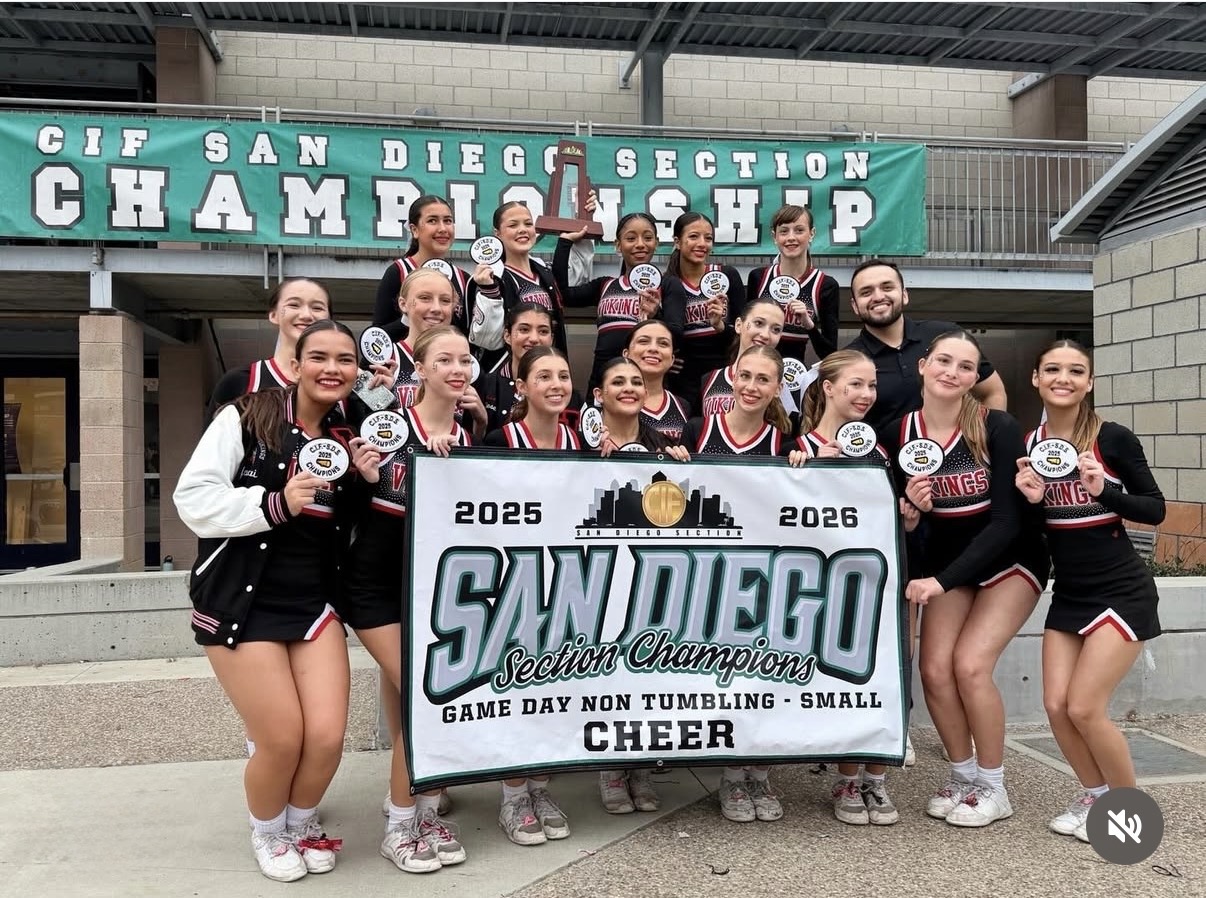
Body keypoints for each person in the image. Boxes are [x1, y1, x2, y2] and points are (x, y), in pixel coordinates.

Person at [174, 320, 381, 882]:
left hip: (313, 604)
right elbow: (192, 498)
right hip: (243, 604)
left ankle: (301, 820)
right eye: (320, 357)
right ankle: (268, 830)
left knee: (327, 737)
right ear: (298, 360)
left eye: (345, 359)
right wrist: (273, 502)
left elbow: (346, 527)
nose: (332, 369)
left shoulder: (353, 429)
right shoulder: (249, 414)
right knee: (282, 737)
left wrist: (365, 484)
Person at [883, 330, 1049, 829]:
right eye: (943, 360)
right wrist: (912, 518)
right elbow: (903, 527)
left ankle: (995, 788)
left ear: (975, 378)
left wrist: (942, 581)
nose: (951, 372)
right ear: (923, 366)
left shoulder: (996, 426)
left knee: (971, 665)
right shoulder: (896, 431)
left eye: (964, 366)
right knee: (934, 670)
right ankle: (963, 776)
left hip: (1009, 560)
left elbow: (1007, 522)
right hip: (948, 565)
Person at [1015, 340, 1166, 843]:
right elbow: (1038, 529)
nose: (1065, 377)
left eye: (1076, 370)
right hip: (1071, 591)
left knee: (1084, 707)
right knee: (1056, 707)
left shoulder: (1112, 437)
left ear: (1090, 382)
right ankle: (1096, 796)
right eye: (1053, 369)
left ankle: (1128, 813)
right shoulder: (1028, 441)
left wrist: (1106, 490)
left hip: (1121, 588)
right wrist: (1033, 502)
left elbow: (1154, 508)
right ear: (1036, 378)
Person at [342, 325, 475, 874]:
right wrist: (361, 477)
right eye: (443, 359)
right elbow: (349, 506)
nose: (456, 368)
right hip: (374, 585)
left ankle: (423, 808)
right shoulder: (390, 427)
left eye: (464, 359)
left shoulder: (469, 439)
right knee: (427, 698)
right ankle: (400, 824)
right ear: (418, 369)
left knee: (417, 705)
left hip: (433, 590)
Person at [680, 345, 801, 822]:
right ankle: (732, 777)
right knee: (725, 676)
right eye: (744, 376)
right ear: (731, 377)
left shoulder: (784, 443)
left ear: (776, 388)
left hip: (763, 575)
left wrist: (810, 473)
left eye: (763, 380)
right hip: (707, 572)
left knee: (762, 672)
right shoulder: (698, 430)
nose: (751, 387)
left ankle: (761, 773)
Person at [789, 350, 907, 827]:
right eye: (855, 384)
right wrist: (807, 470)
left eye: (871, 386)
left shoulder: (879, 451)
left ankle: (875, 780)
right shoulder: (798, 444)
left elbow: (899, 517)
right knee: (841, 674)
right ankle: (844, 775)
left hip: (878, 579)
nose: (865, 395)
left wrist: (910, 507)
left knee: (884, 671)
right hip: (823, 583)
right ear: (829, 388)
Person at [483, 345, 579, 844]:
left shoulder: (581, 439)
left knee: (554, 694)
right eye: (543, 376)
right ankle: (513, 793)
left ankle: (541, 786)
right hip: (515, 581)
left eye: (563, 375)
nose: (556, 384)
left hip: (566, 583)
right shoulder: (500, 438)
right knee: (515, 691)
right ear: (520, 386)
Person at [844, 260, 1007, 434]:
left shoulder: (948, 336)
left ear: (904, 295)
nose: (878, 297)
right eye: (866, 292)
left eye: (887, 287)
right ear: (855, 306)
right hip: (884, 459)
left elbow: (992, 392)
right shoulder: (848, 360)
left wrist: (986, 440)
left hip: (955, 457)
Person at [553, 210, 684, 395]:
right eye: (631, 238)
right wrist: (565, 242)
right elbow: (562, 295)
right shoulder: (605, 285)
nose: (640, 244)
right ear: (618, 245)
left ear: (656, 243)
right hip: (602, 381)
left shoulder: (668, 284)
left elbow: (677, 332)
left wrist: (656, 315)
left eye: (647, 238)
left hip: (645, 385)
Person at [386, 269, 489, 439]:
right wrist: (379, 397)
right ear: (403, 304)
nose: (436, 308)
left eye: (445, 301)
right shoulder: (383, 359)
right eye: (425, 298)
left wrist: (481, 422)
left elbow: (474, 444)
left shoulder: (469, 368)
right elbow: (366, 423)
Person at [208, 278, 332, 416]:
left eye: (317, 308)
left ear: (329, 319)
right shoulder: (241, 381)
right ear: (273, 315)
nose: (306, 315)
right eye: (294, 305)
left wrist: (360, 380)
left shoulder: (344, 384)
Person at [371, 195, 482, 344]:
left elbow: (471, 338)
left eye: (448, 221)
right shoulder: (399, 272)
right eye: (432, 221)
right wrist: (409, 318)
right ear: (414, 229)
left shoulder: (463, 278)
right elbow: (377, 336)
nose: (442, 229)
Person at [662, 212, 744, 412]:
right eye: (693, 236)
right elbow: (666, 334)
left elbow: (744, 331)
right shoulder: (668, 283)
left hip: (723, 371)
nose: (702, 244)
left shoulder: (727, 275)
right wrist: (666, 362)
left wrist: (720, 326)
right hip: (683, 377)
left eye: (708, 238)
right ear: (677, 242)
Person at [746, 204, 839, 364]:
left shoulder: (824, 285)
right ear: (774, 237)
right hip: (757, 369)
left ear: (812, 233)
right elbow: (743, 333)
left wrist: (809, 324)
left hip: (794, 375)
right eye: (784, 231)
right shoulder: (759, 277)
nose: (791, 237)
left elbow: (829, 353)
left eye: (799, 230)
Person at [475, 202, 571, 355]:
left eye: (528, 224)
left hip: (550, 366)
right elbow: (487, 340)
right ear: (497, 233)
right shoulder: (492, 278)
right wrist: (488, 291)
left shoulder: (545, 272)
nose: (522, 230)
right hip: (514, 371)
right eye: (513, 225)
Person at [476, 302, 586, 432]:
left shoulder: (567, 394)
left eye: (543, 331)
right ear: (507, 336)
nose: (534, 338)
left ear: (551, 339)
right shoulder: (485, 386)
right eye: (524, 329)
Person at [699, 297, 789, 419]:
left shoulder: (783, 387)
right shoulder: (709, 379)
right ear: (738, 325)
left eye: (776, 330)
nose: (765, 335)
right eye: (759, 323)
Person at [624, 319, 691, 442]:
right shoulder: (608, 402)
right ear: (626, 354)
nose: (653, 349)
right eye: (643, 341)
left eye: (663, 344)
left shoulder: (683, 406)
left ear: (672, 359)